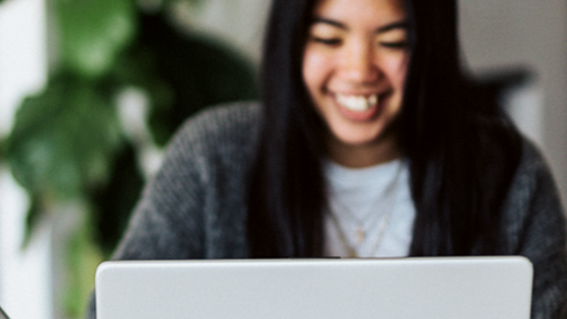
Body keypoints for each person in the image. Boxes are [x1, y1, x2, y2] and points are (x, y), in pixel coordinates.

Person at [87, 0, 567, 318]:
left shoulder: (508, 176)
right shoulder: (211, 160)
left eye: (394, 41)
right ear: (291, 43)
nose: (359, 70)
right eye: (328, 38)